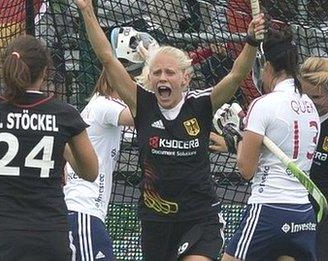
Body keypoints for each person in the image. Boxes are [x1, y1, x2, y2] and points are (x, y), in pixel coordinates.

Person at [75, 0, 267, 259]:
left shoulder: (200, 104)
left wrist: (252, 42)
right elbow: (107, 58)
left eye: (170, 73)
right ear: (149, 77)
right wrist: (87, 11)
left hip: (199, 217)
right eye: (157, 73)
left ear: (185, 78)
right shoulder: (142, 104)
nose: (163, 78)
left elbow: (234, 76)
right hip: (156, 220)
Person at [0, 34, 98, 261]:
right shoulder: (64, 114)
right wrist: (59, 143)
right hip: (50, 232)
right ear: (44, 71)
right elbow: (90, 172)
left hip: (2, 234)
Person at [219, 29, 319, 261]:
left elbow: (246, 170)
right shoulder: (309, 105)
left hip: (269, 208)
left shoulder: (263, 104)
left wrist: (238, 137)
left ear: (268, 67)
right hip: (303, 213)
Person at [64, 68, 134, 260]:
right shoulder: (104, 105)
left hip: (83, 211)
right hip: (83, 210)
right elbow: (142, 115)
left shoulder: (99, 105)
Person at [300, 56, 328, 261]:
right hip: (297, 206)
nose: (310, 103)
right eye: (305, 95)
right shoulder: (295, 114)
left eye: (317, 97)